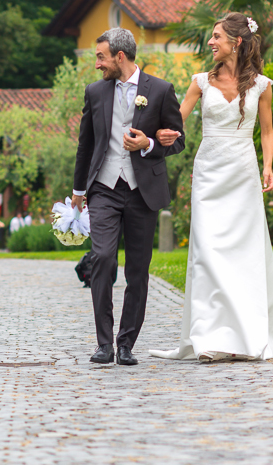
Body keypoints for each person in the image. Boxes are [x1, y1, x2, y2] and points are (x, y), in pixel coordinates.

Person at [149, 12, 273, 362]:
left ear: (236, 42)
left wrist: (269, 166)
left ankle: (246, 336)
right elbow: (176, 123)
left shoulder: (262, 85)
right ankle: (208, 339)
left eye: (217, 36)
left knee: (244, 254)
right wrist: (162, 134)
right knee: (207, 255)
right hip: (210, 173)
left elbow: (267, 131)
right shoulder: (200, 82)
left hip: (243, 173)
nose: (211, 42)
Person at [71, 28, 185, 366]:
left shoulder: (161, 90)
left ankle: (125, 344)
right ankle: (103, 344)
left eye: (101, 57)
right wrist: (79, 191)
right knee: (103, 258)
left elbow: (178, 140)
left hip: (142, 192)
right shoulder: (95, 92)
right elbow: (85, 144)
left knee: (138, 270)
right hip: (104, 188)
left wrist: (149, 144)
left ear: (120, 56)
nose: (97, 65)